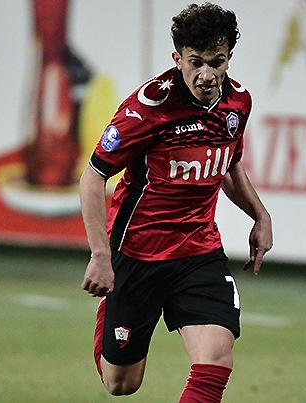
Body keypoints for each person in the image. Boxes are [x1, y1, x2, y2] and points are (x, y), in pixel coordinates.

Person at [79, 2, 273, 401]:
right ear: (177, 58)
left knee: (216, 358)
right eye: (195, 62)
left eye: (217, 62)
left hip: (198, 252)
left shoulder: (237, 103)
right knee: (122, 383)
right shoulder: (146, 109)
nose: (207, 75)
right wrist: (101, 255)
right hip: (138, 253)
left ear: (229, 58)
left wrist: (260, 215)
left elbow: (228, 165)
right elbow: (93, 176)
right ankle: (112, 311)